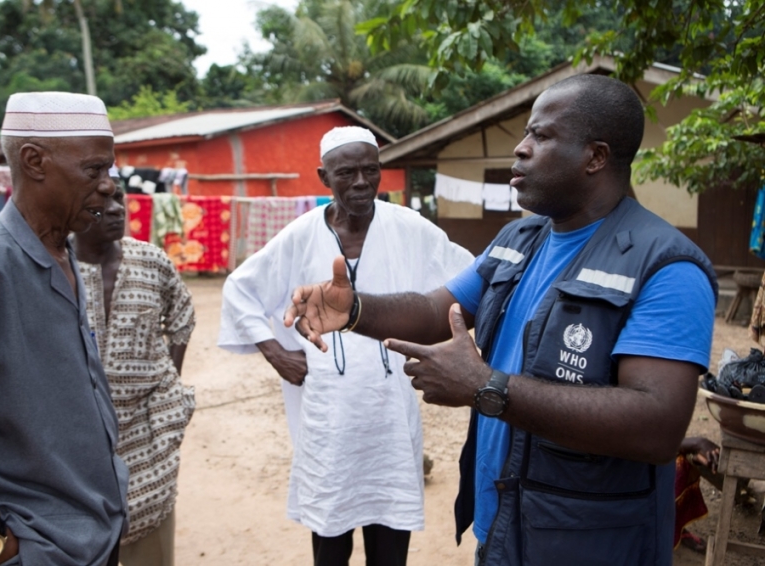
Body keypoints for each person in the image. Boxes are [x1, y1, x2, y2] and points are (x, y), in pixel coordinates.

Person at [283, 75, 718, 565]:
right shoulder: (519, 241)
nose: (521, 148)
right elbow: (435, 310)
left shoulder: (666, 268)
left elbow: (656, 426)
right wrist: (355, 309)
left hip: (589, 541)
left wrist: (488, 387)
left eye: (542, 136)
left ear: (595, 157)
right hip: (505, 521)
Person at [218, 126, 473, 566]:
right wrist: (275, 352)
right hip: (328, 412)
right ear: (323, 178)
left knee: (390, 536)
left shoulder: (410, 228)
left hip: (391, 408)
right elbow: (240, 288)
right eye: (346, 172)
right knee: (330, 537)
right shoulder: (300, 234)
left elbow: (468, 280)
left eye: (370, 171)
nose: (360, 183)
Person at [0, 92, 128, 565]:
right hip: (34, 551)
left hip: (95, 540)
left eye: (109, 170)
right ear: (34, 161)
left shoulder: (64, 256)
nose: (109, 186)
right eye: (94, 170)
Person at [73, 168, 196, 566]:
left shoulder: (152, 260)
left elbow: (182, 316)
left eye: (119, 200)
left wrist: (170, 382)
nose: (114, 210)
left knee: (152, 541)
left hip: (148, 428)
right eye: (100, 204)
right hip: (77, 439)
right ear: (73, 210)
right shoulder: (54, 265)